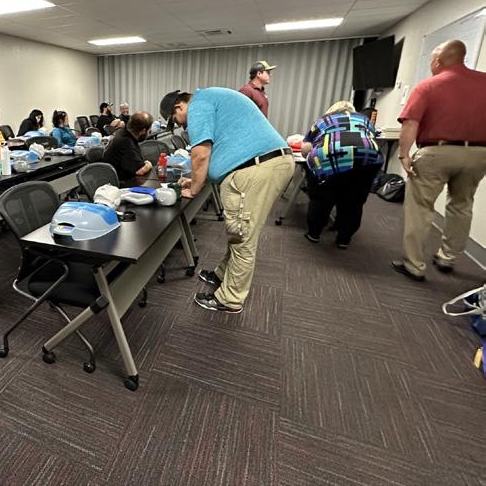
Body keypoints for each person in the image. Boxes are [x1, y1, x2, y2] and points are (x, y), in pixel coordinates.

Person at [163, 88, 294, 314]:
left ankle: (231, 298)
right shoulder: (212, 98)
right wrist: (195, 180)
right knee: (238, 231)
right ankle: (222, 274)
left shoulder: (198, 105)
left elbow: (201, 153)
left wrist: (193, 190)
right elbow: (222, 150)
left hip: (255, 169)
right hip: (265, 164)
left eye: (176, 120)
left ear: (179, 107)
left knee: (243, 237)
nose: (181, 125)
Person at [391, 39, 486, 281]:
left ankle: (414, 265)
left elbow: (410, 124)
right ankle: (447, 257)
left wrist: (404, 154)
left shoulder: (428, 86)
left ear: (437, 61)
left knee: (420, 208)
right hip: (479, 154)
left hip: (436, 152)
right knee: (462, 205)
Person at [301, 101, 384, 248]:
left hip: (331, 158)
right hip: (367, 159)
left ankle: (314, 233)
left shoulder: (323, 121)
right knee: (355, 200)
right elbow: (370, 138)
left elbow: (306, 148)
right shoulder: (365, 120)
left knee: (321, 197)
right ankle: (344, 239)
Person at [103, 112, 154, 181]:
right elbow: (140, 171)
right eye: (149, 131)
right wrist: (149, 164)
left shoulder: (123, 132)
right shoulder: (126, 142)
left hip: (118, 176)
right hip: (121, 183)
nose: (149, 133)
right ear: (143, 131)